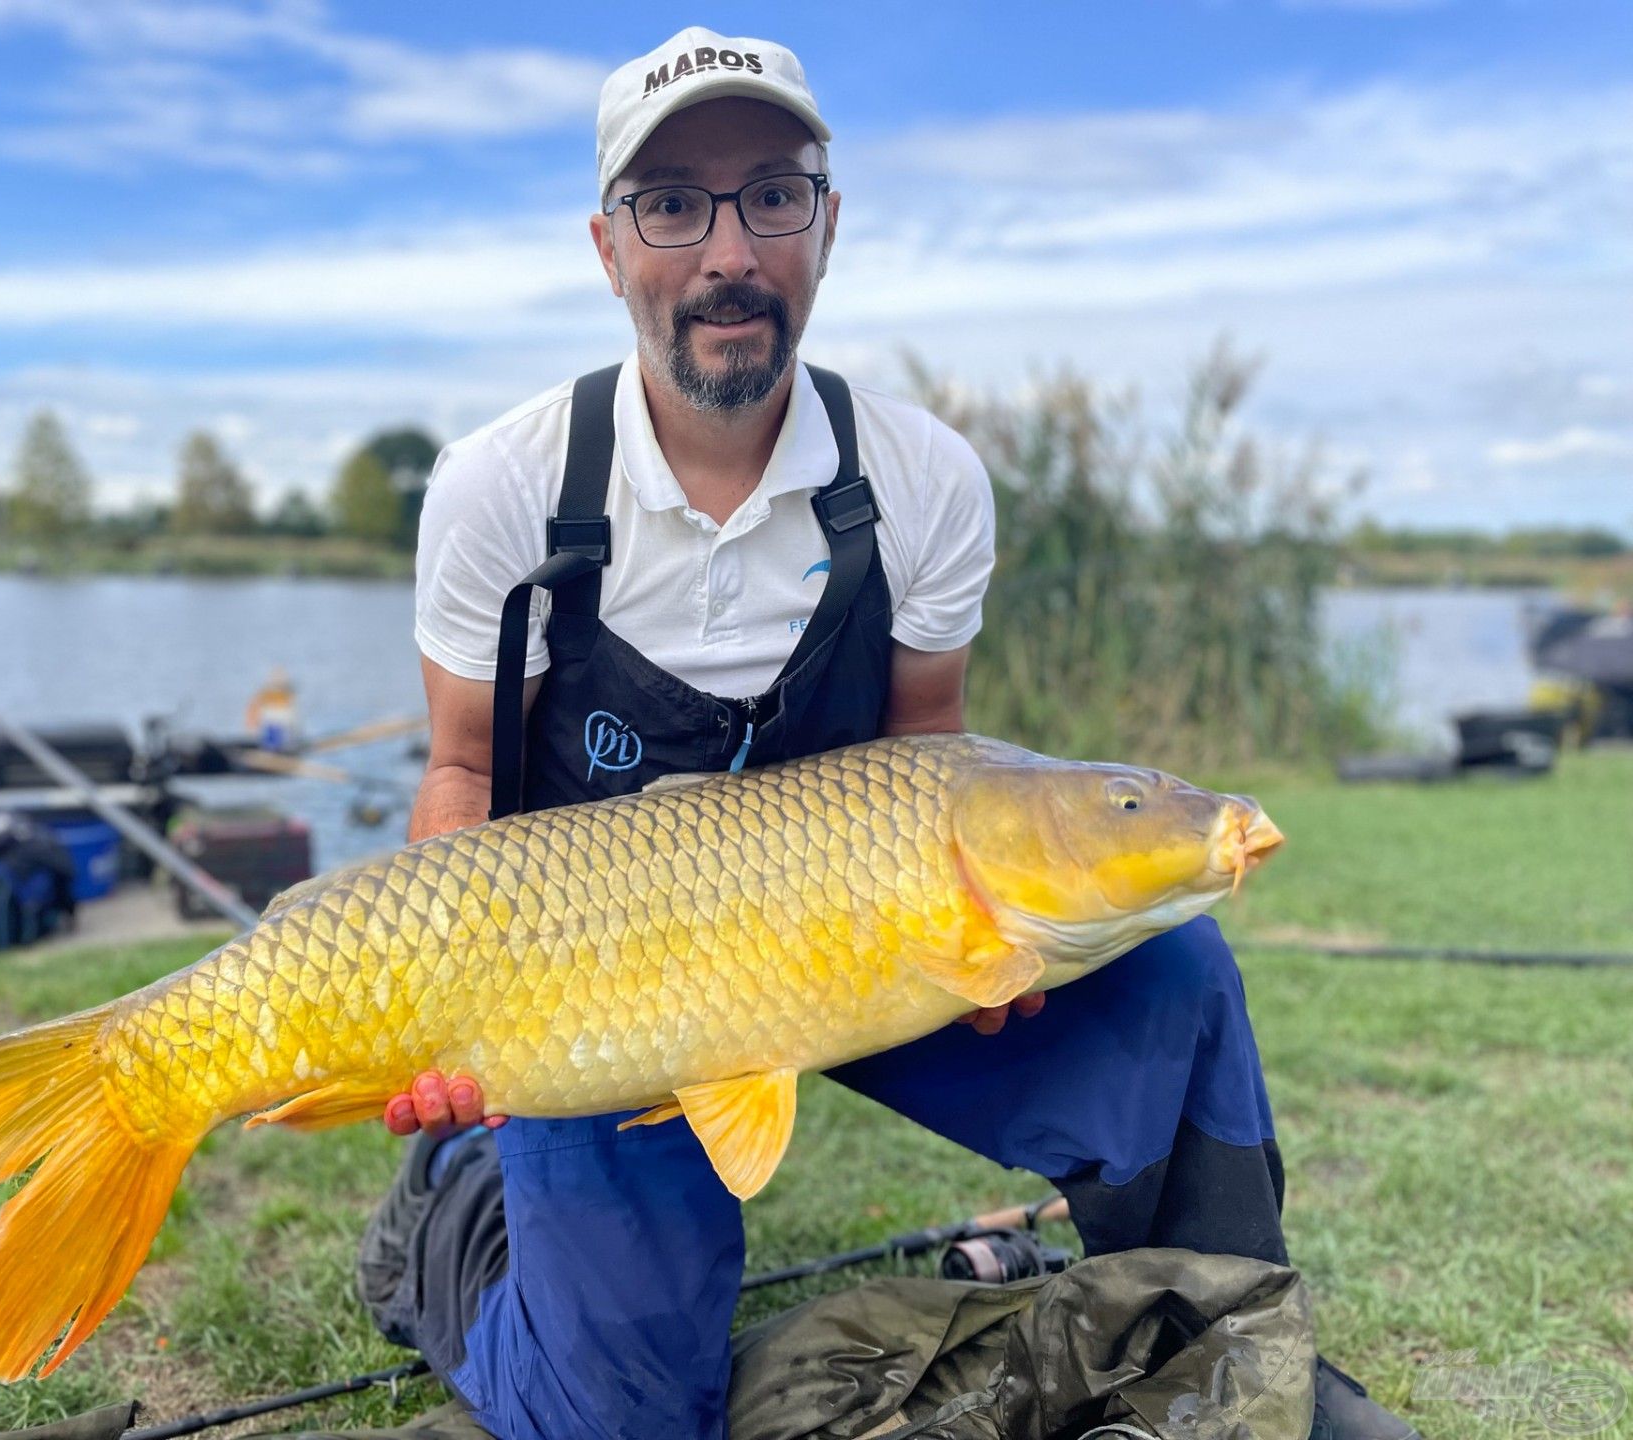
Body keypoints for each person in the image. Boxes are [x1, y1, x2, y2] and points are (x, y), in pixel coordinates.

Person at [360, 27, 1419, 1440]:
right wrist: (454, 1000)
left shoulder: (919, 480)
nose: (727, 250)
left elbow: (935, 758)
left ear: (826, 222)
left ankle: (1208, 1323)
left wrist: (998, 955)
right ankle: (445, 1227)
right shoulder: (504, 485)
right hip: (607, 976)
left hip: (862, 942)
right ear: (610, 247)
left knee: (1176, 980)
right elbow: (463, 771)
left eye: (772, 196)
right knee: (619, 1415)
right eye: (673, 202)